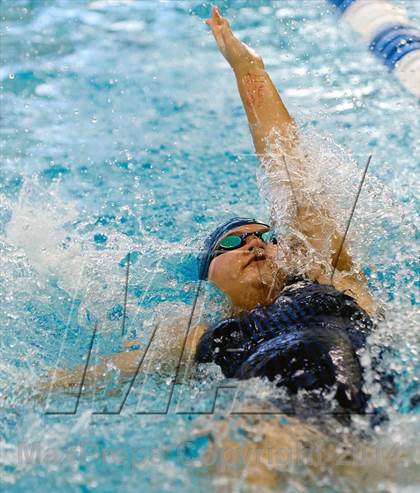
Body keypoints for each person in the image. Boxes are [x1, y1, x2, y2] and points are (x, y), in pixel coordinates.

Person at [47, 7, 386, 417]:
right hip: (270, 421)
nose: (256, 242)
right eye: (233, 241)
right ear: (209, 275)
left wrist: (249, 71)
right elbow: (91, 377)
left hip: (371, 402)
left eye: (267, 236)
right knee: (238, 440)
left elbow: (291, 170)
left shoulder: (327, 279)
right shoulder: (198, 339)